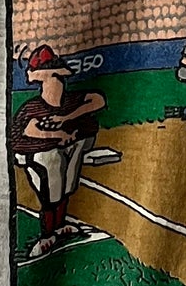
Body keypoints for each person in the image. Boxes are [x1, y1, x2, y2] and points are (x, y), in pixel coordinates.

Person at [11, 47, 116, 262]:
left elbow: (98, 100)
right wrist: (60, 134)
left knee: (67, 183)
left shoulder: (70, 101)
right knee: (52, 182)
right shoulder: (33, 107)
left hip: (65, 146)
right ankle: (48, 234)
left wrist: (67, 118)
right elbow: (30, 130)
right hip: (35, 153)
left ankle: (59, 226)